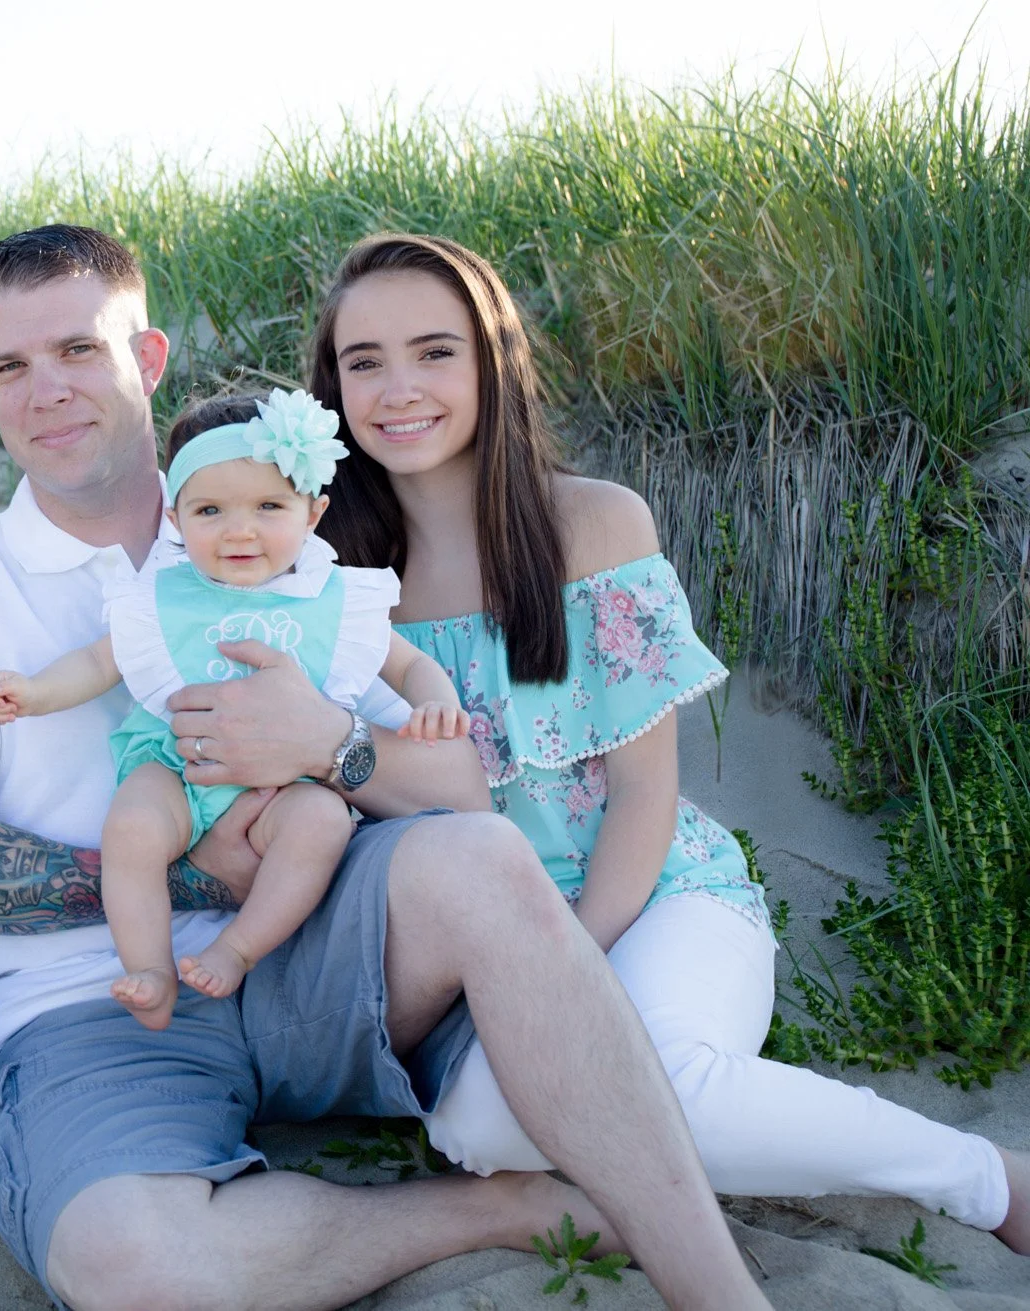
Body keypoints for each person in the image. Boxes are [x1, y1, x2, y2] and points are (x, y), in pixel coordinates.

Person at [0, 223, 773, 1310]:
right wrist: (198, 877)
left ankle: (719, 1293)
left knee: (475, 861)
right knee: (132, 1266)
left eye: (76, 352)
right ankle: (493, 1214)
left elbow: (463, 797)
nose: (44, 389)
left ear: (146, 361)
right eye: (10, 366)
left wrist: (326, 749)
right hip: (91, 1009)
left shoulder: (289, 551)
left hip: (313, 956)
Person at [305, 229, 1030, 1253]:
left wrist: (570, 959)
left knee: (664, 1076)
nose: (396, 388)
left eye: (434, 350)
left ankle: (986, 1182)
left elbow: (644, 793)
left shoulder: (593, 524)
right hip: (470, 954)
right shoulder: (322, 575)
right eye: (361, 361)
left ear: (489, 362)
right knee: (479, 1125)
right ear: (330, 387)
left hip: (647, 897)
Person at [0, 387, 462, 1027]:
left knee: (320, 825)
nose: (240, 530)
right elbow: (101, 663)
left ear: (312, 513)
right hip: (179, 767)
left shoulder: (334, 599)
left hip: (286, 786)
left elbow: (407, 663)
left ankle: (237, 949)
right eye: (211, 510)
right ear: (177, 521)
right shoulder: (164, 598)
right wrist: (36, 692)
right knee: (130, 828)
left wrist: (434, 703)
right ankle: (149, 970)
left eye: (268, 506)